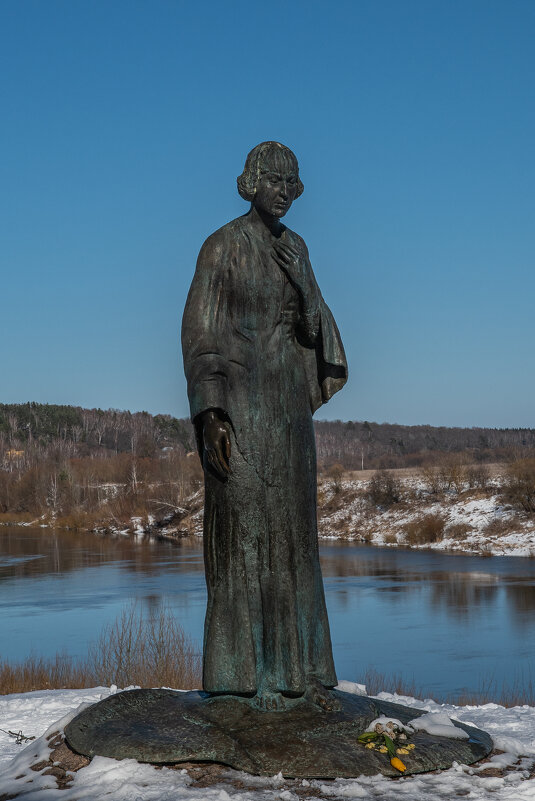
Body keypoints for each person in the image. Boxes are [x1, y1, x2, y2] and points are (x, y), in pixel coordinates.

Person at [182, 142, 347, 711]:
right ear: (250, 181)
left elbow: (315, 333)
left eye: (291, 182)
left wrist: (305, 286)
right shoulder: (222, 246)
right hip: (241, 410)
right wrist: (210, 414)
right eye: (273, 178)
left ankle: (298, 675)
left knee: (295, 541)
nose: (283, 189)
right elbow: (201, 334)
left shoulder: (296, 249)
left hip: (289, 415)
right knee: (240, 538)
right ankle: (235, 680)